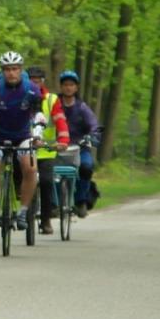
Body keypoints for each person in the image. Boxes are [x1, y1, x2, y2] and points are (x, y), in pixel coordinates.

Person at [0, 50, 43, 229]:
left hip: (22, 136)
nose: (11, 73)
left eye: (15, 69)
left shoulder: (31, 88)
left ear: (21, 70)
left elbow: (38, 114)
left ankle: (23, 211)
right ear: (2, 71)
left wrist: (38, 135)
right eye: (7, 69)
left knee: (30, 168)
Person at [27, 68, 70, 234]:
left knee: (45, 181)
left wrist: (63, 140)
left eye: (38, 80)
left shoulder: (51, 100)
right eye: (32, 80)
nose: (35, 83)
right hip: (26, 148)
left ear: (43, 81)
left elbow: (60, 121)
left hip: (46, 150)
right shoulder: (20, 98)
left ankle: (45, 220)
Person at [57, 70, 101, 216]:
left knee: (87, 167)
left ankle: (81, 200)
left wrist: (92, 136)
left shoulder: (82, 107)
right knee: (46, 171)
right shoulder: (54, 105)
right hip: (57, 146)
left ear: (76, 88)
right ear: (61, 87)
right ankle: (51, 203)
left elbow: (94, 125)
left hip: (79, 147)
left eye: (71, 85)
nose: (68, 88)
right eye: (65, 84)